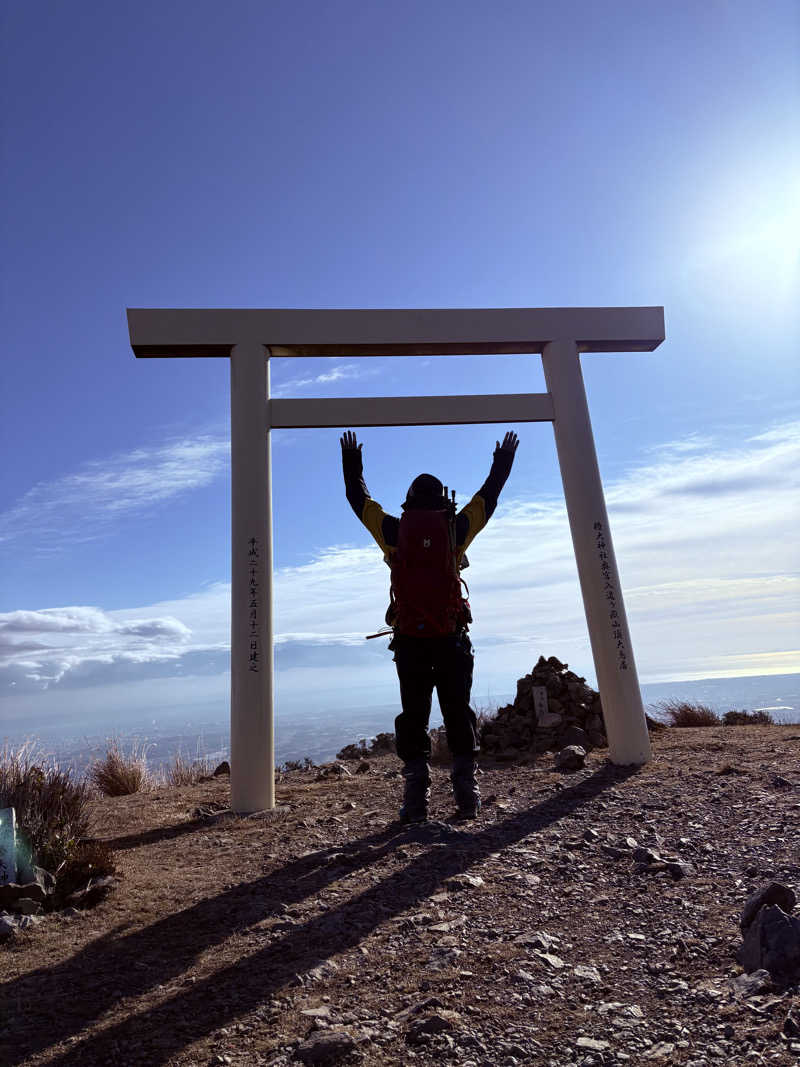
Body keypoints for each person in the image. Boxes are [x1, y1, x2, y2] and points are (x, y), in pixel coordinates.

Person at [340, 429, 519, 822]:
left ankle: (415, 801)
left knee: (414, 715)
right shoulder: (455, 531)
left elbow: (359, 500)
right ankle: (467, 797)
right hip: (452, 639)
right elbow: (488, 497)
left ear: (408, 504)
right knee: (458, 711)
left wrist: (352, 460)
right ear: (442, 503)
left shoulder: (393, 532)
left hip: (410, 642)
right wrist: (503, 458)